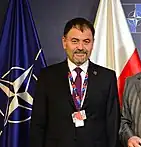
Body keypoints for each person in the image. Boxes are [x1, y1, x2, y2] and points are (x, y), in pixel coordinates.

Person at [30, 17, 120, 147]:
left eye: (86, 41)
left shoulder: (107, 77)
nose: (80, 47)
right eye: (75, 41)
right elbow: (38, 124)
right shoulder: (47, 76)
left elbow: (112, 124)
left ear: (93, 44)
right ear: (64, 42)